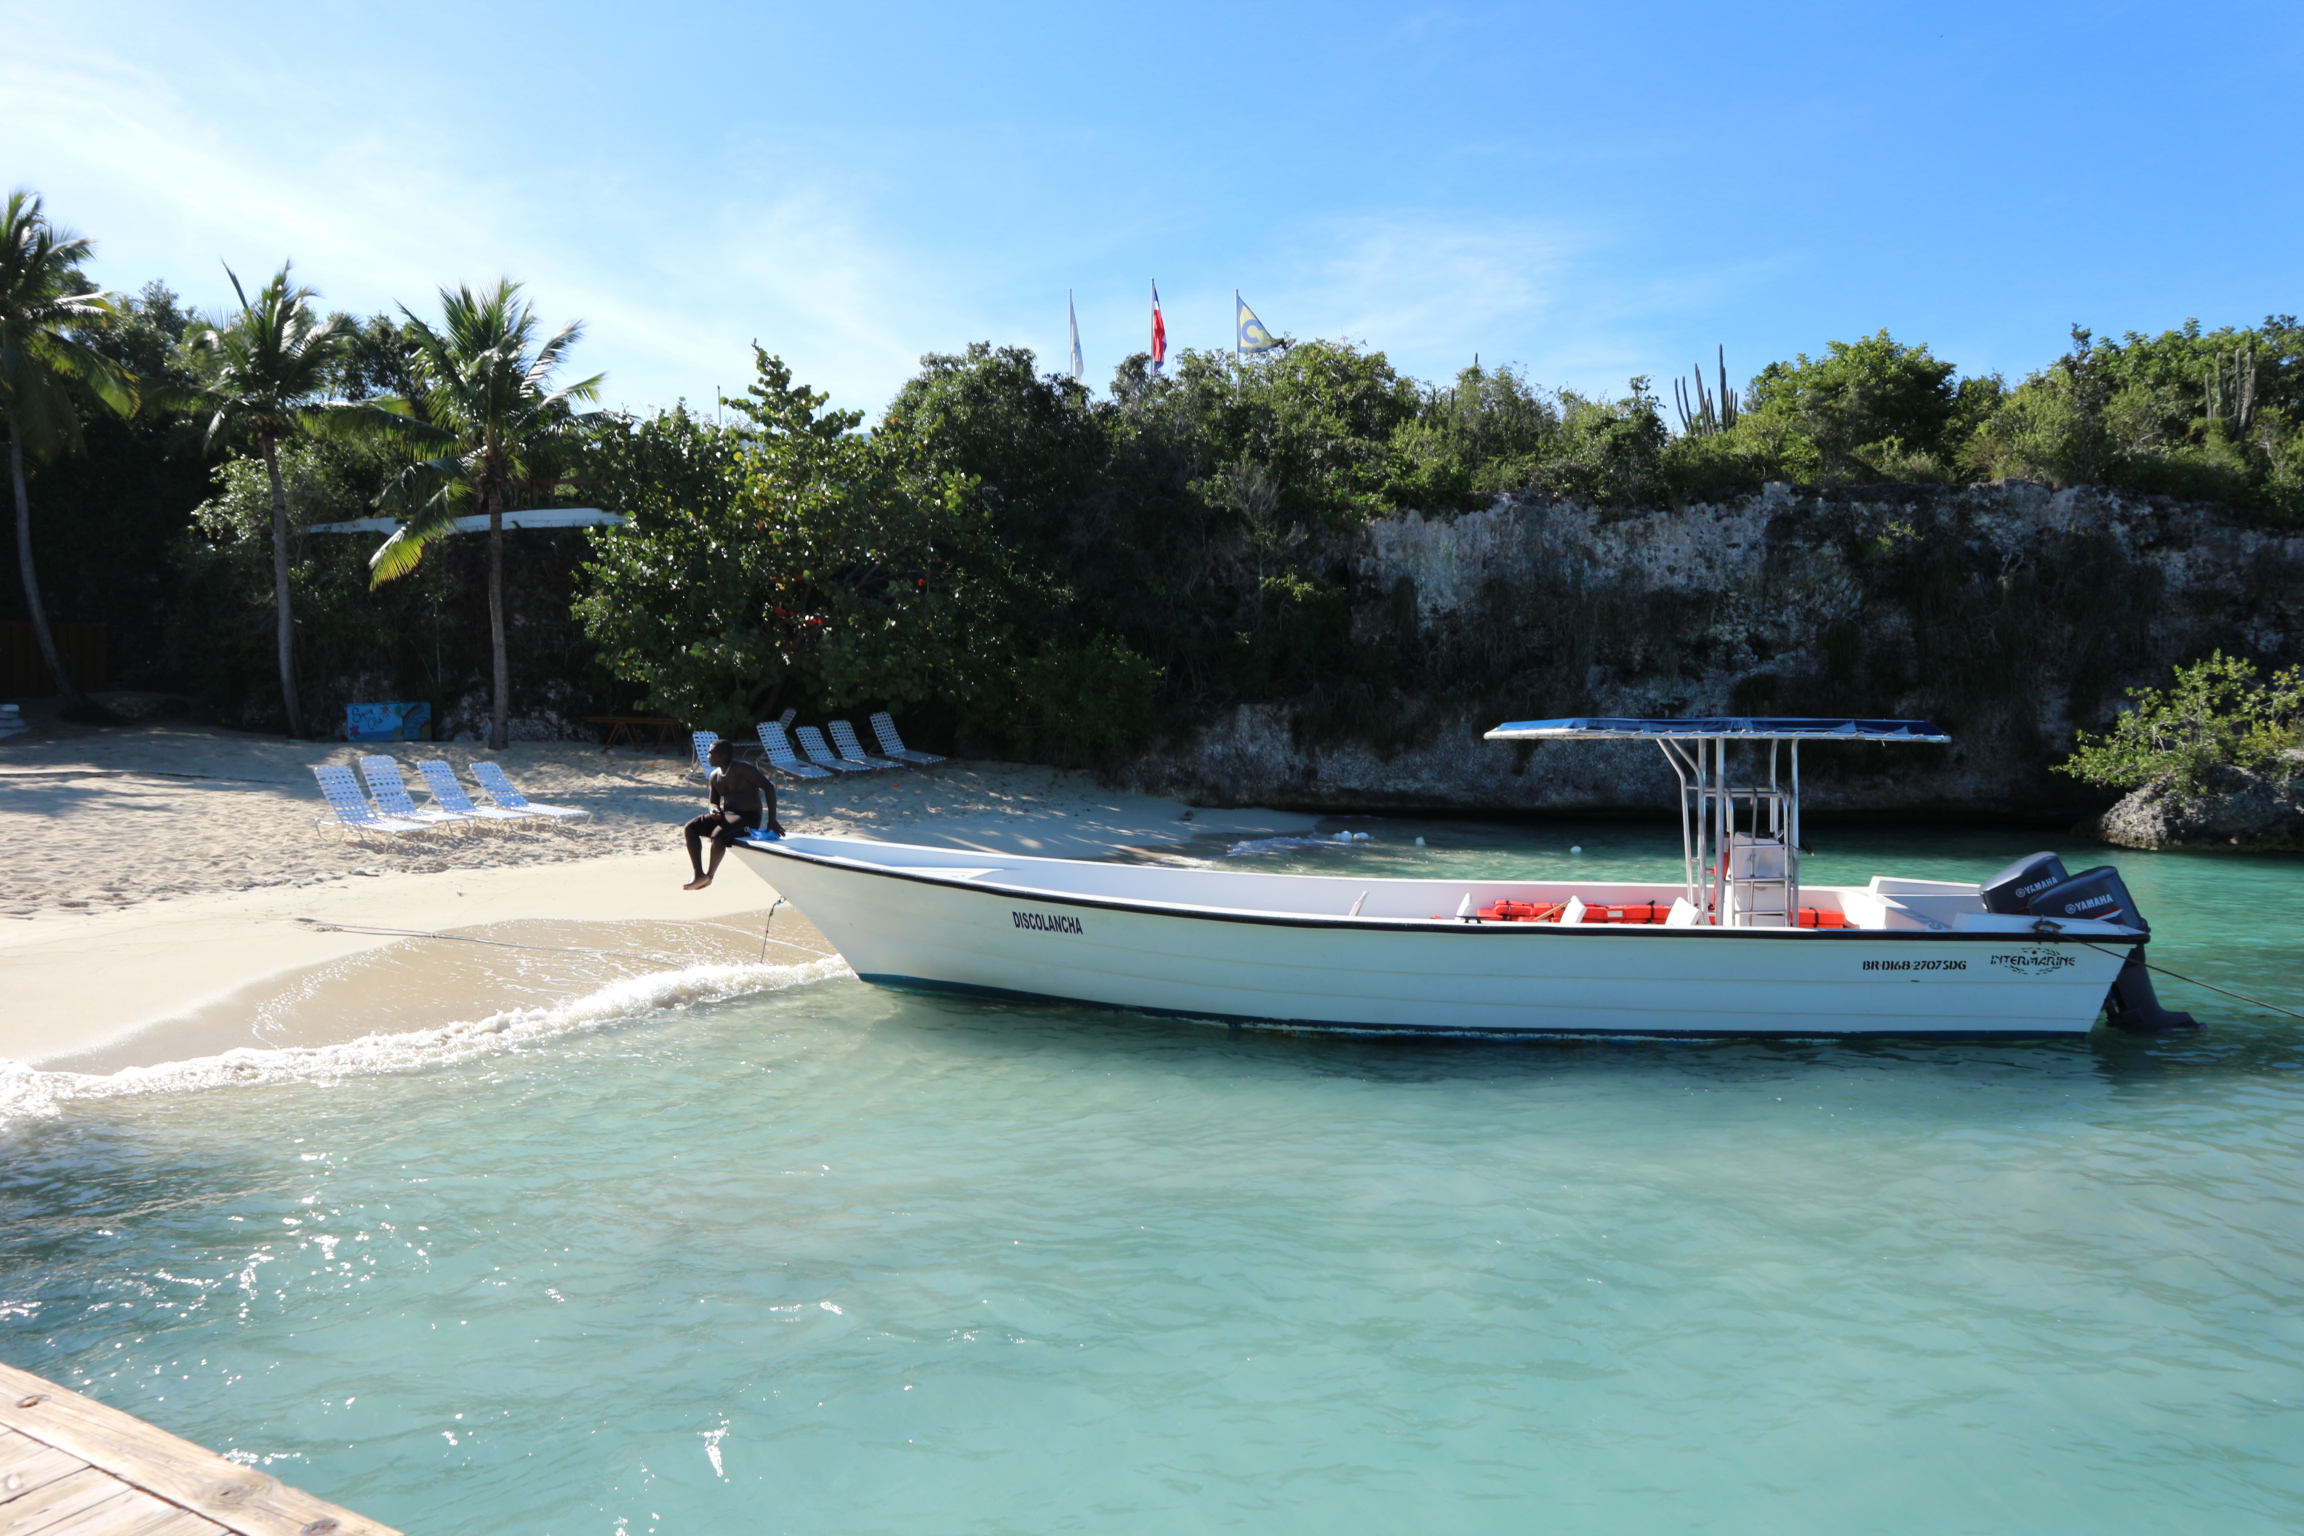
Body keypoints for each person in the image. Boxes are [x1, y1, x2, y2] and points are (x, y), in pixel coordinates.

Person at [684, 740, 782, 890]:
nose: (707, 756)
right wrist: (714, 810)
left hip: (749, 817)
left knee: (718, 836)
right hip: (728, 815)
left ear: (721, 755)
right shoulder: (714, 776)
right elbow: (713, 802)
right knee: (690, 827)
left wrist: (772, 820)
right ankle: (699, 874)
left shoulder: (744, 769)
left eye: (710, 753)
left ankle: (709, 876)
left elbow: (769, 788)